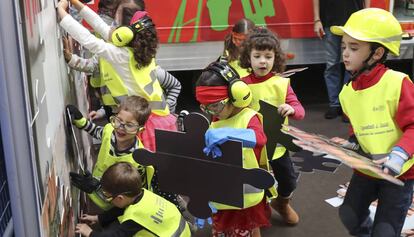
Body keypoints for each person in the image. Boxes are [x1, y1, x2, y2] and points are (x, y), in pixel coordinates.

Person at [331, 8, 414, 236]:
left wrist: (399, 154)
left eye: (354, 48)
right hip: (367, 168)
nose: (345, 54)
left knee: (386, 231)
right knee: (349, 214)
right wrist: (351, 144)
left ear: (377, 53)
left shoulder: (398, 83)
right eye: (344, 46)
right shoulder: (347, 92)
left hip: (400, 174)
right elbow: (360, 127)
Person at [57, 0, 177, 151]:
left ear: (125, 33)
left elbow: (89, 40)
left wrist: (62, 12)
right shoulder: (139, 50)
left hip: (145, 125)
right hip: (158, 120)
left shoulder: (122, 55)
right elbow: (102, 27)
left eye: (116, 20)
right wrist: (76, 4)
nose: (112, 24)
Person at [195, 61, 272, 237]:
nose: (211, 111)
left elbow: (260, 139)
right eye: (205, 107)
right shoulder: (216, 118)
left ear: (236, 95)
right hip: (223, 190)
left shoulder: (248, 116)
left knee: (248, 227)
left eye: (215, 105)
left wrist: (231, 133)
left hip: (246, 192)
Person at [239, 27, 305, 225]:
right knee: (254, 185)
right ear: (248, 58)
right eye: (257, 56)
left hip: (277, 147)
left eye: (268, 56)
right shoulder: (241, 85)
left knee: (288, 181)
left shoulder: (281, 83)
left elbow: (300, 111)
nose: (262, 61)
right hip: (251, 149)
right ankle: (256, 214)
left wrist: (291, 109)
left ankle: (282, 204)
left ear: (275, 58)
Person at [67, 96, 178, 211]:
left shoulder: (137, 161)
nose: (121, 128)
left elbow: (130, 199)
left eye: (129, 125)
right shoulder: (110, 130)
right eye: (119, 120)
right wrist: (80, 121)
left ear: (140, 129)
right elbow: (98, 132)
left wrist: (97, 187)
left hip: (116, 207)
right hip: (98, 191)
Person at [75, 162, 191, 237]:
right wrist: (99, 218)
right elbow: (122, 209)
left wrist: (89, 232)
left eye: (107, 197)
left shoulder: (136, 216)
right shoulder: (143, 194)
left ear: (120, 198)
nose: (107, 199)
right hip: (181, 230)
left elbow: (115, 236)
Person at [312, 0, 369, 120]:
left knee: (352, 66)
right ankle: (335, 104)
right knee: (332, 65)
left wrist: (365, 16)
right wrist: (317, 20)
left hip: (354, 22)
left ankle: (346, 105)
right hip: (329, 21)